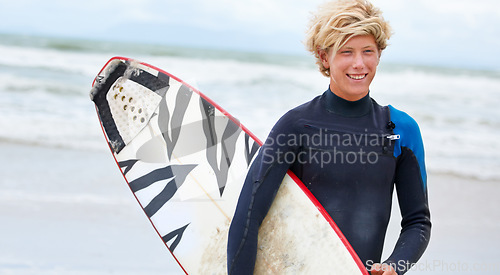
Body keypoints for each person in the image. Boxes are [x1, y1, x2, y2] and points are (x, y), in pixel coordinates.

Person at [227, 0, 431, 274]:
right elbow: (248, 217)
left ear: (379, 54)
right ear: (325, 57)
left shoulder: (400, 130)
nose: (359, 63)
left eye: (367, 51)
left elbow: (418, 222)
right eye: (346, 51)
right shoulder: (296, 126)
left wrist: (395, 265)